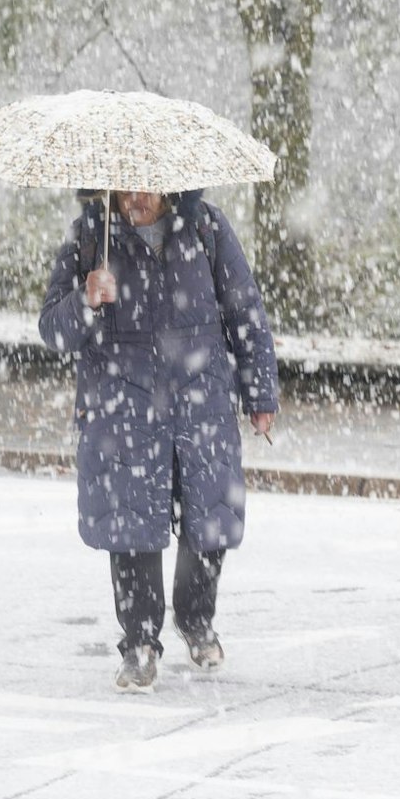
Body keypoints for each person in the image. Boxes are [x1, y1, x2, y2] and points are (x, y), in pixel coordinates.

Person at [38, 188, 278, 693]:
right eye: (125, 187)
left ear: (171, 188)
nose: (135, 198)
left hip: (200, 405)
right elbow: (53, 330)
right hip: (124, 412)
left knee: (208, 523)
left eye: (146, 187)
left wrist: (260, 394)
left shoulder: (206, 229)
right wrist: (86, 299)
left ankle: (194, 618)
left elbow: (245, 312)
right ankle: (140, 643)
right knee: (132, 531)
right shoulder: (91, 237)